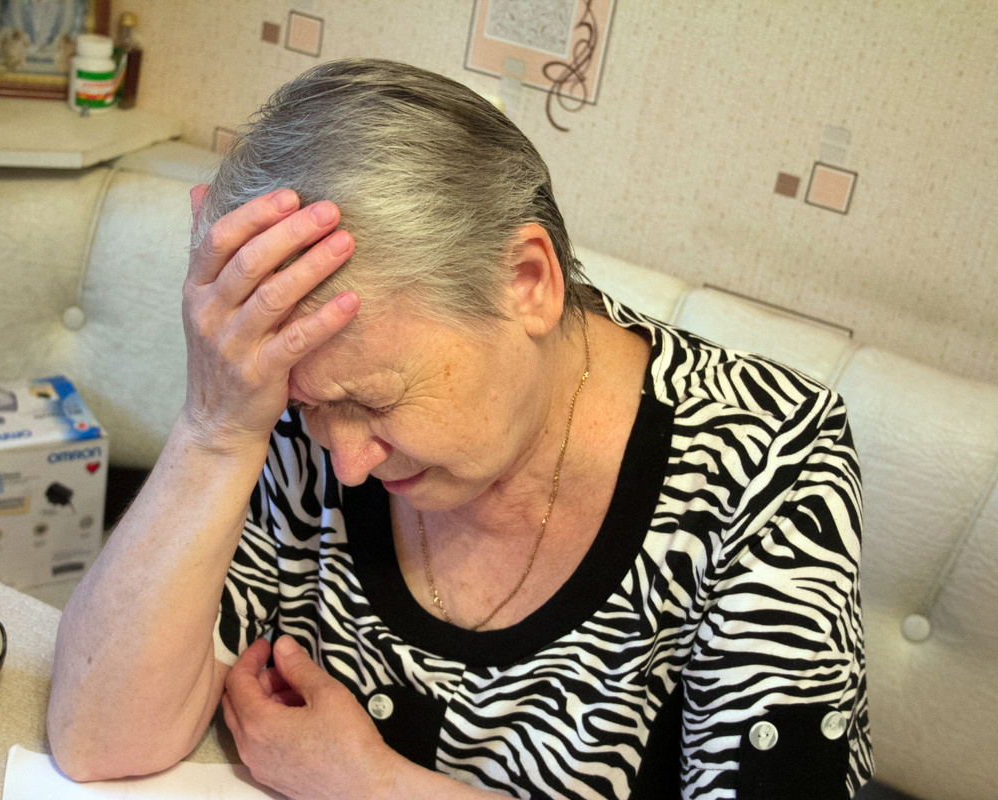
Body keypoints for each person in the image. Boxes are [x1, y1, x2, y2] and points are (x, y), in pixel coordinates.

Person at [47, 59, 871, 799]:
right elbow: (98, 743)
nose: (347, 463)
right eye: (309, 411)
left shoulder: (769, 462)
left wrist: (369, 786)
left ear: (528, 282)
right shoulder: (290, 398)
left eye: (376, 403)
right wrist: (214, 429)